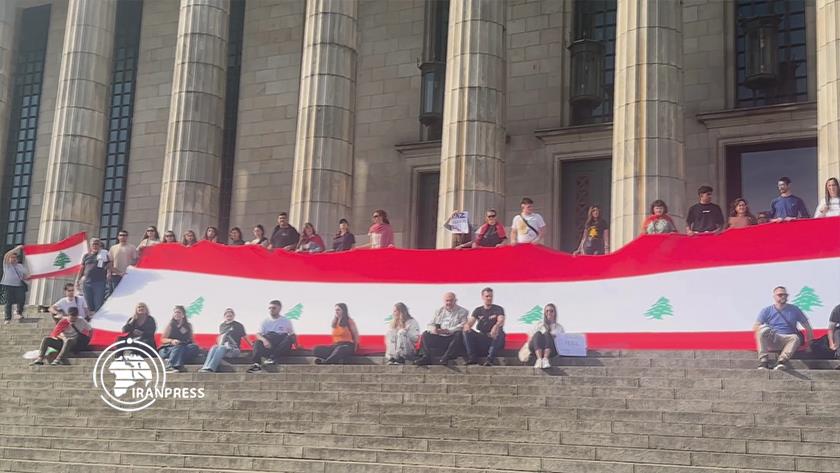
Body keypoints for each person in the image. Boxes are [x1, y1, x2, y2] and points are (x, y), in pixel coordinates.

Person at [753, 286, 814, 370]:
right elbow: (756, 326)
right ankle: (763, 361)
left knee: (795, 338)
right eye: (780, 295)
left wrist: (809, 344)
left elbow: (807, 326)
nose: (783, 296)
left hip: (788, 339)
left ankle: (781, 361)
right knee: (761, 331)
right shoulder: (766, 310)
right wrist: (764, 330)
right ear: (774, 297)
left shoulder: (794, 309)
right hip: (773, 337)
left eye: (785, 295)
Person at [415, 292, 468, 366]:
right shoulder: (438, 311)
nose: (448, 303)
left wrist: (448, 330)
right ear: (444, 301)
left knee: (459, 334)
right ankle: (426, 357)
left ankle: (446, 357)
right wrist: (434, 329)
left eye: (451, 300)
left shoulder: (463, 311)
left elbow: (462, 325)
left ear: (455, 301)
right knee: (425, 334)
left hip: (451, 337)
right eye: (447, 301)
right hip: (439, 336)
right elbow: (430, 324)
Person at [248, 300, 296, 373]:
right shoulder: (265, 321)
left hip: (281, 344)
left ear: (279, 309)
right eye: (269, 308)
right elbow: (258, 334)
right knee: (257, 342)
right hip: (269, 343)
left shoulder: (286, 321)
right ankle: (256, 364)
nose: (271, 310)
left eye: (274, 308)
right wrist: (264, 341)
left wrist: (297, 346)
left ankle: (272, 358)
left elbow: (292, 335)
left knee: (289, 338)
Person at [463, 287, 506, 366]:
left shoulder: (498, 309)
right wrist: (467, 326)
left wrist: (496, 326)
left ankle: (490, 359)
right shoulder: (478, 310)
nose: (489, 298)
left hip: (495, 338)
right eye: (487, 296)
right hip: (483, 338)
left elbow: (501, 320)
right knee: (466, 331)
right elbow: (471, 322)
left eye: (491, 296)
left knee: (500, 331)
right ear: (482, 297)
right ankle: (472, 358)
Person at [200, 308, 251, 372]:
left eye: (230, 314)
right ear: (224, 316)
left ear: (233, 315)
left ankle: (211, 368)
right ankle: (205, 367)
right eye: (227, 314)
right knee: (214, 347)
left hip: (234, 349)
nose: (229, 315)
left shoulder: (238, 325)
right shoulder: (222, 326)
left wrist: (252, 345)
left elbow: (245, 336)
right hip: (224, 347)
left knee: (221, 347)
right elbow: (220, 338)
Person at [159, 305, 200, 373]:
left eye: (179, 312)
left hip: (183, 347)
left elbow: (192, 340)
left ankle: (175, 360)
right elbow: (163, 339)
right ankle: (170, 366)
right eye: (175, 312)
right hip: (168, 349)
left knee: (194, 347)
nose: (177, 314)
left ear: (183, 315)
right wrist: (172, 341)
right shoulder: (170, 325)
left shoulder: (188, 326)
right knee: (178, 347)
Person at [520, 304, 564, 368]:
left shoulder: (559, 328)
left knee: (547, 334)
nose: (549, 313)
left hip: (552, 350)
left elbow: (561, 342)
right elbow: (531, 338)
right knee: (538, 333)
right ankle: (539, 359)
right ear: (544, 313)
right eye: (547, 311)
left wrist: (553, 337)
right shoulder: (539, 324)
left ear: (555, 313)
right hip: (536, 347)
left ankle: (545, 359)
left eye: (551, 311)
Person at [75, 238, 109, 313]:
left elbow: (109, 265)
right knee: (89, 304)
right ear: (90, 246)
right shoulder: (86, 256)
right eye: (94, 244)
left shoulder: (104, 255)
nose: (95, 246)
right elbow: (82, 268)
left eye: (97, 244)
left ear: (100, 245)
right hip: (87, 283)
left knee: (98, 304)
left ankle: (97, 321)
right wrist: (78, 280)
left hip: (99, 283)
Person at [2, 245, 28, 324]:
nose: (13, 259)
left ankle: (18, 312)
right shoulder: (7, 265)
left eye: (14, 258)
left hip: (18, 285)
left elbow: (24, 276)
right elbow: (6, 255)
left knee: (21, 299)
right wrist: (16, 249)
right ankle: (7, 318)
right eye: (11, 257)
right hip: (8, 285)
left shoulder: (20, 266)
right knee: (8, 302)